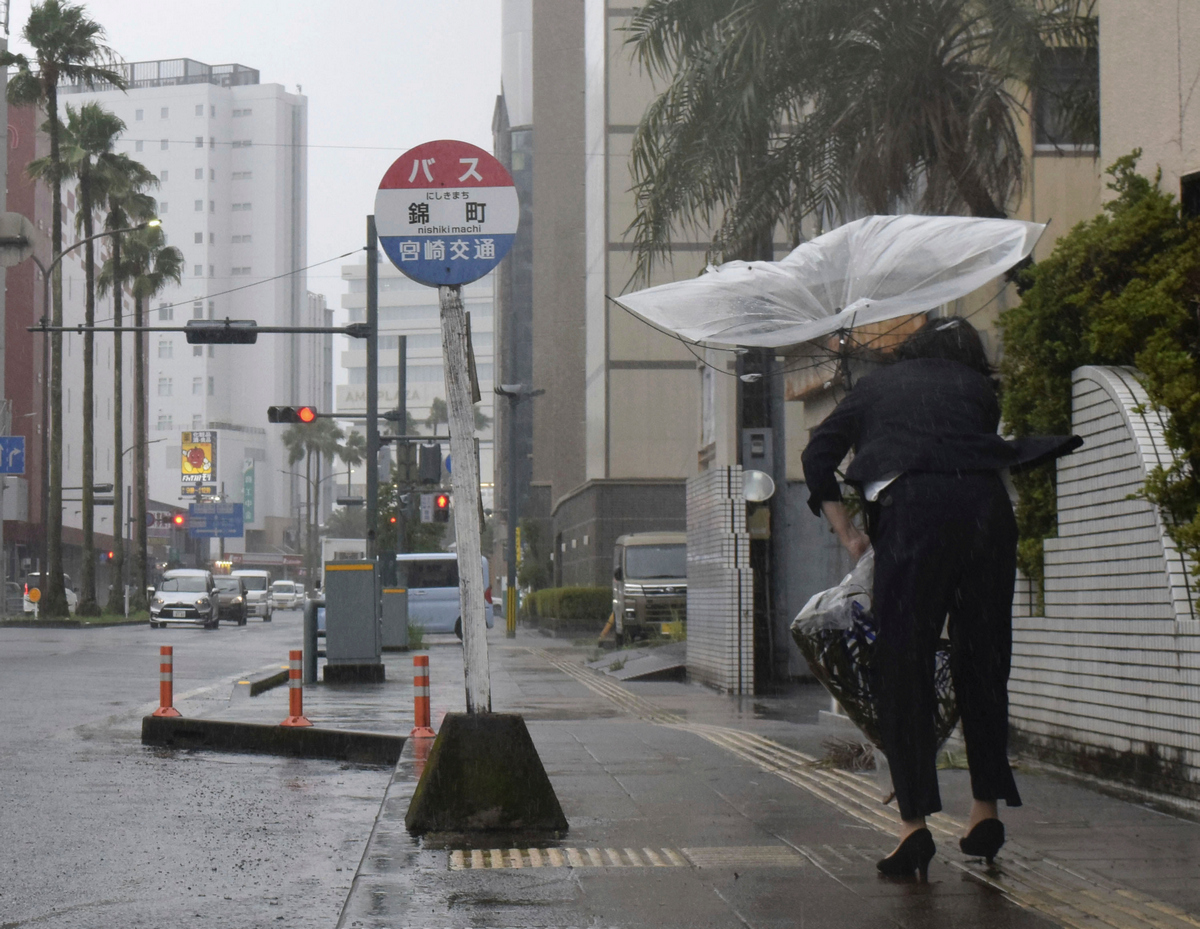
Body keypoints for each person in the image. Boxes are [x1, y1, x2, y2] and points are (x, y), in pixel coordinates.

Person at [800, 316, 1079, 881]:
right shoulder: (978, 389)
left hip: (915, 516)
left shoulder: (874, 387)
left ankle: (914, 826)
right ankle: (983, 812)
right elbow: (952, 441)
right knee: (983, 661)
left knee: (903, 663)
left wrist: (850, 535)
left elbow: (816, 458)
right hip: (985, 514)